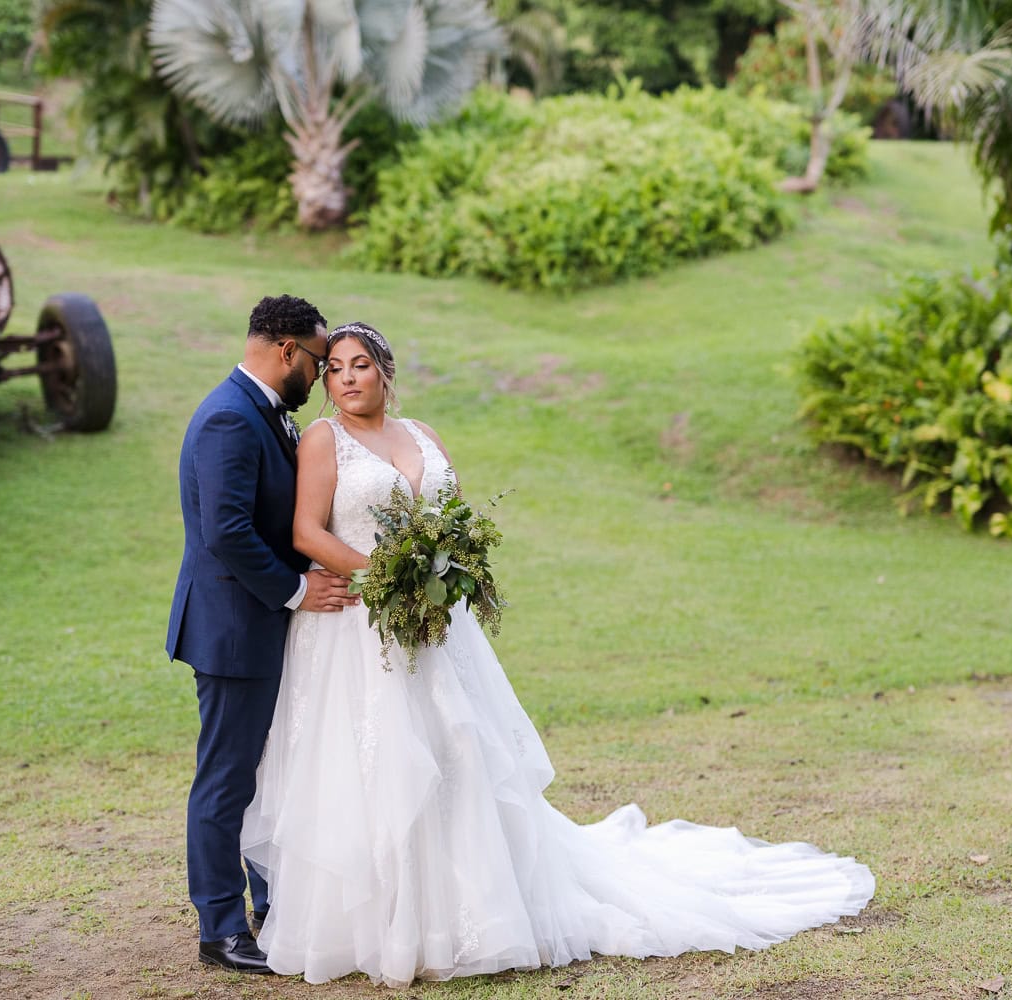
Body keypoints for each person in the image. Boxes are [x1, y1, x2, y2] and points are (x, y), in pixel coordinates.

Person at [238, 322, 876, 987]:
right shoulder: (323, 440)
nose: (345, 377)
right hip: (362, 630)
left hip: (440, 627)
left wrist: (446, 569)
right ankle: (383, 926)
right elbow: (307, 532)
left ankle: (471, 913)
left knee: (460, 751)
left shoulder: (423, 434)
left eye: (360, 364)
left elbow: (453, 522)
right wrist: (386, 576)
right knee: (386, 766)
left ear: (385, 372)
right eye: (335, 367)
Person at [165, 295, 358, 973]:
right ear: (286, 352)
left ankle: (275, 905)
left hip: (260, 627)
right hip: (232, 630)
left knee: (268, 772)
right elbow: (227, 534)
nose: (321, 374)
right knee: (226, 780)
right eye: (317, 359)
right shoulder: (227, 418)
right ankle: (220, 929)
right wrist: (300, 589)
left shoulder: (262, 413)